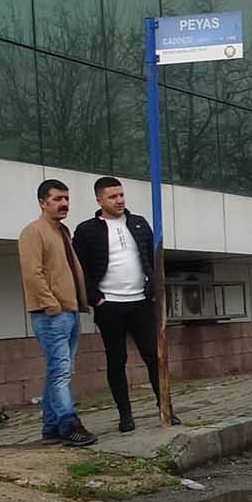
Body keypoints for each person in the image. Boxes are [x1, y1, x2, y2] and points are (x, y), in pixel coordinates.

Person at [72, 177, 173, 433]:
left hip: (140, 301)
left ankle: (165, 408)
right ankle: (125, 416)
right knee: (117, 360)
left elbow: (151, 256)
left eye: (121, 195)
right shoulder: (87, 230)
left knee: (153, 355)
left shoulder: (139, 224)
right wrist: (96, 299)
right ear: (99, 200)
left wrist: (153, 290)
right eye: (112, 197)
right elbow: (79, 267)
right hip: (110, 305)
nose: (119, 201)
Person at [18, 180, 97, 447]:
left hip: (69, 310)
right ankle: (68, 423)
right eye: (57, 198)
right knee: (61, 371)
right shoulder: (34, 232)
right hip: (51, 313)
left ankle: (51, 428)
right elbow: (32, 273)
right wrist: (51, 305)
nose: (64, 203)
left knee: (59, 371)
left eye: (66, 198)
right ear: (43, 202)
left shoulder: (61, 231)